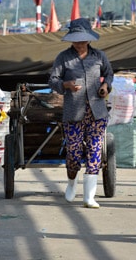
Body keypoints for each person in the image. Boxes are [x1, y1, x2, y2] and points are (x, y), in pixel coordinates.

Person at [48, 18, 113, 208]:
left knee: (94, 152)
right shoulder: (63, 58)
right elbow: (53, 80)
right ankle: (71, 183)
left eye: (82, 39)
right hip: (73, 112)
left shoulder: (99, 56)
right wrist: (65, 85)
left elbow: (109, 74)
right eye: (76, 39)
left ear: (88, 39)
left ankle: (89, 197)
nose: (79, 43)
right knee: (74, 153)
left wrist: (105, 86)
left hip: (97, 112)